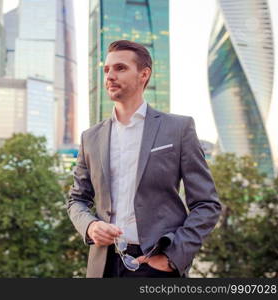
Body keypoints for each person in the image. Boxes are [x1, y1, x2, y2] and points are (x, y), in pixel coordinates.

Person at [67, 40, 221, 278]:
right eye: (106, 69)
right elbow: (76, 200)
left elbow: (207, 204)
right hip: (103, 265)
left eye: (120, 68)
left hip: (156, 264)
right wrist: (90, 226)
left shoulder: (178, 129)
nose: (109, 76)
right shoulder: (90, 138)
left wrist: (173, 256)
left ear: (144, 74)